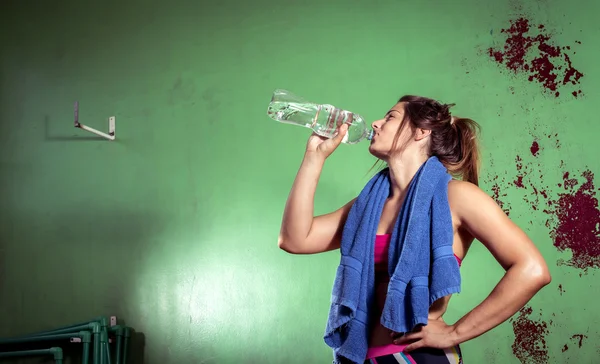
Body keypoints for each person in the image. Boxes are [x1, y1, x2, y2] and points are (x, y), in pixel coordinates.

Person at [277, 94, 552, 363]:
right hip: (359, 356)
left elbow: (532, 269)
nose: (375, 123)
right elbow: (295, 239)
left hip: (416, 357)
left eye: (390, 117)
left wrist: (455, 332)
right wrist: (314, 156)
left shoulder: (457, 196)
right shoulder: (367, 207)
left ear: (421, 132)